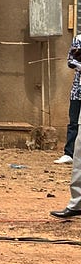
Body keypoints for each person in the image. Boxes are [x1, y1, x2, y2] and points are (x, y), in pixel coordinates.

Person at [50, 37, 81, 217]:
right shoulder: (79, 38)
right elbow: (71, 60)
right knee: (79, 150)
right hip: (78, 92)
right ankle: (77, 204)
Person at [53, 33, 81, 165]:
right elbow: (70, 60)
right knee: (74, 121)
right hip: (78, 89)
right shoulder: (79, 39)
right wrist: (78, 65)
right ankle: (69, 153)